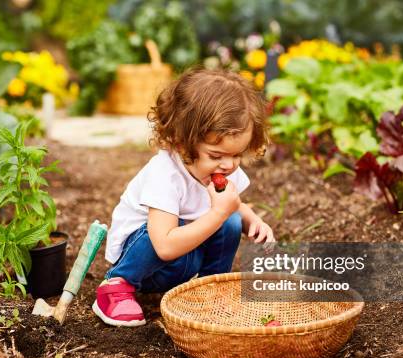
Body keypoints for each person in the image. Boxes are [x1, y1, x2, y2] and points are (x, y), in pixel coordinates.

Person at [93, 68, 275, 327]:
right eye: (216, 155)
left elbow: (232, 205)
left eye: (237, 155)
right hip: (148, 265)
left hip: (185, 257)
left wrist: (253, 221)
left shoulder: (222, 168)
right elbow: (164, 246)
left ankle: (210, 289)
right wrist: (219, 213)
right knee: (196, 222)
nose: (229, 165)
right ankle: (116, 286)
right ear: (181, 143)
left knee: (232, 221)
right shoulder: (164, 174)